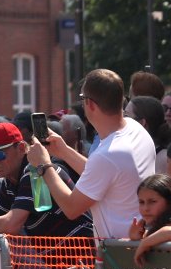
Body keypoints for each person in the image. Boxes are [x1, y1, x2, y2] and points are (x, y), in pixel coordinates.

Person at [25, 70, 156, 240]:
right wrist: (63, 151)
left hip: (123, 250)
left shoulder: (108, 155)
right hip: (138, 243)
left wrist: (43, 166)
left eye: (82, 98)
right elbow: (104, 173)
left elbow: (71, 208)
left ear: (90, 104)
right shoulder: (135, 128)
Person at [0, 123, 81, 239]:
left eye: (0, 155)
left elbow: (12, 224)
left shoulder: (34, 171)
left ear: (21, 148)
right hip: (62, 248)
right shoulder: (9, 180)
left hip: (82, 246)